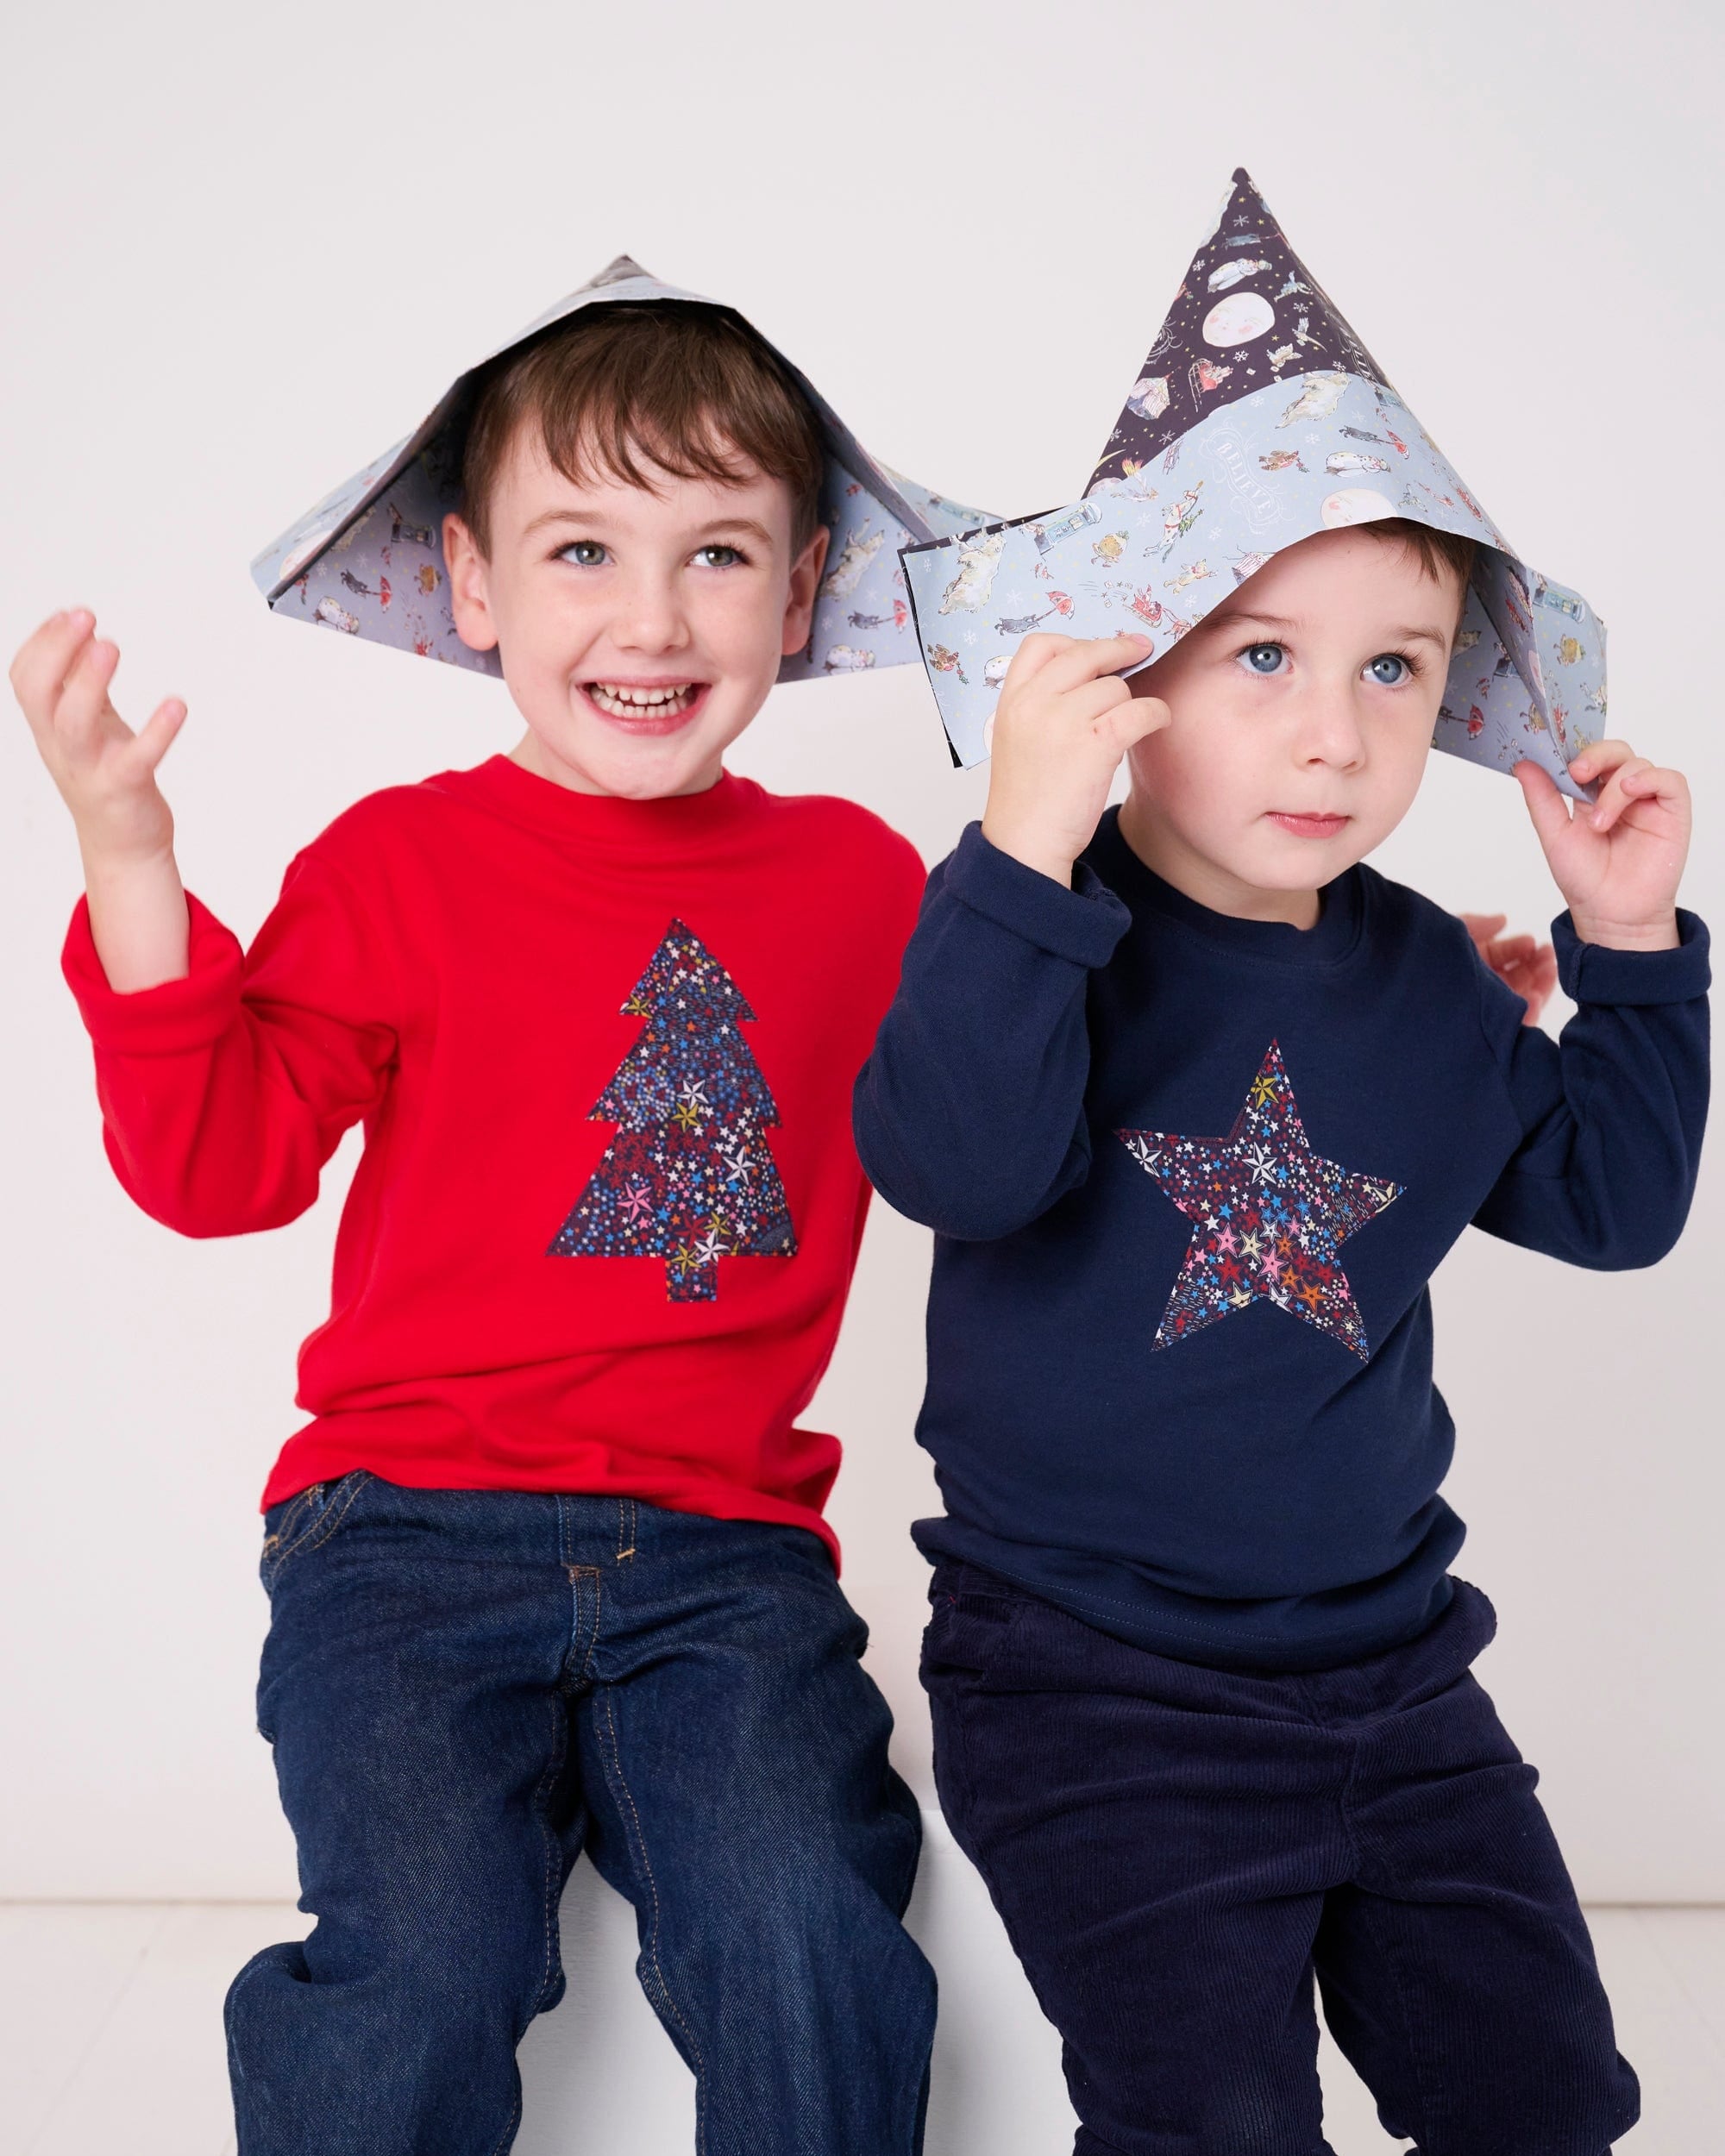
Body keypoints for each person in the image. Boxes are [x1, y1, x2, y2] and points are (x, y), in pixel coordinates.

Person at [11, 289, 938, 2156]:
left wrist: (1389, 1000)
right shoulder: (401, 862)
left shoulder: (864, 883)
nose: (652, 620)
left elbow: (1041, 1101)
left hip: (725, 1556)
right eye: (582, 550)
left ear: (801, 589)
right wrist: (130, 858)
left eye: (717, 555)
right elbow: (217, 1169)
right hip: (403, 1538)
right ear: (472, 583)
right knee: (423, 1962)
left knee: (809, 1931)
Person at [853, 514, 1707, 2155]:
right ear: (1122, 675)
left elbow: (1613, 1205)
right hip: (1094, 1676)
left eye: (1394, 667)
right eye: (1262, 655)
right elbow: (951, 1167)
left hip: (1400, 1666)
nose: (1337, 735)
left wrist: (1630, 944)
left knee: (1543, 2097)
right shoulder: (1031, 930)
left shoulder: (1429, 973)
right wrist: (1023, 845)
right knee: (1216, 2124)